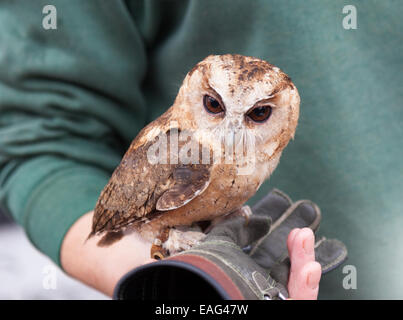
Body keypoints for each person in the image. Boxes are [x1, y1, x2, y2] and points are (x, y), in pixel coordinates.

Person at [1, 1, 402, 300]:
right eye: (214, 106)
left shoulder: (264, 153)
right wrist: (180, 289)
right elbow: (44, 135)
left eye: (259, 114)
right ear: (197, 94)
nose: (232, 129)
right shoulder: (184, 153)